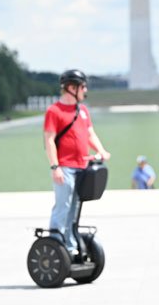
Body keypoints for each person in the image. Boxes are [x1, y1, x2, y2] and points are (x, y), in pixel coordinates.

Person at [43, 69, 111, 259]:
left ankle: (71, 245)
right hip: (65, 167)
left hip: (82, 166)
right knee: (63, 206)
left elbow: (90, 134)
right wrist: (55, 166)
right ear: (71, 88)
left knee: (74, 209)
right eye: (83, 87)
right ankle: (56, 243)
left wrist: (101, 150)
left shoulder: (82, 111)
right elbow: (49, 140)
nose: (85, 90)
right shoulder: (54, 111)